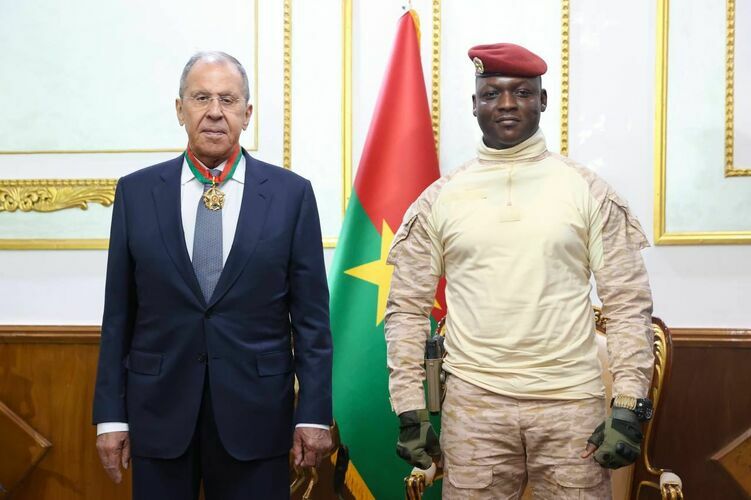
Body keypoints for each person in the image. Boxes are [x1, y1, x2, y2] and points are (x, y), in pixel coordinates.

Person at [385, 43, 654, 499]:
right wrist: (410, 408)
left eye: (523, 92)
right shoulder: (439, 199)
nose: (507, 104)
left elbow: (628, 304)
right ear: (474, 105)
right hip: (474, 408)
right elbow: (407, 310)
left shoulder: (589, 191)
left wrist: (629, 405)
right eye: (492, 93)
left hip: (570, 405)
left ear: (543, 101)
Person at [92, 51, 333, 500]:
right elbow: (118, 315)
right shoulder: (136, 192)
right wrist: (110, 416)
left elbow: (312, 321)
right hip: (158, 413)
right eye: (201, 98)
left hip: (258, 416)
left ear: (247, 113)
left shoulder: (291, 195)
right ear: (180, 109)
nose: (215, 111)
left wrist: (314, 414)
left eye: (228, 99)